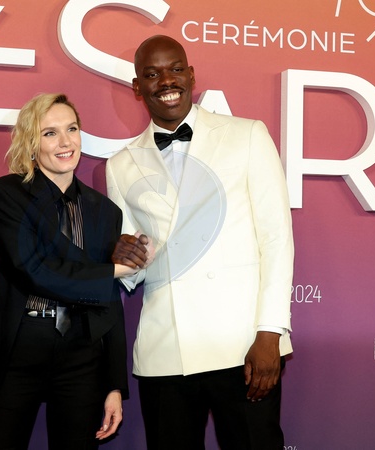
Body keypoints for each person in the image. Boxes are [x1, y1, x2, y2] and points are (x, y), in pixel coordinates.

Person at [105, 35, 295, 449]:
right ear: (137, 86)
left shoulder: (247, 135)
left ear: (191, 75)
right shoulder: (120, 164)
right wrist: (120, 257)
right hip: (166, 348)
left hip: (242, 344)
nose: (166, 81)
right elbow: (134, 264)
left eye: (175, 69)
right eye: (152, 74)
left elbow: (276, 239)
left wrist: (270, 333)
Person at [0, 93, 145, 450]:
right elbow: (33, 270)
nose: (65, 142)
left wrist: (114, 384)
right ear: (30, 142)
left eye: (72, 129)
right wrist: (112, 270)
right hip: (20, 346)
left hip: (83, 353)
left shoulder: (106, 212)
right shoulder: (3, 196)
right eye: (50, 133)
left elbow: (109, 302)